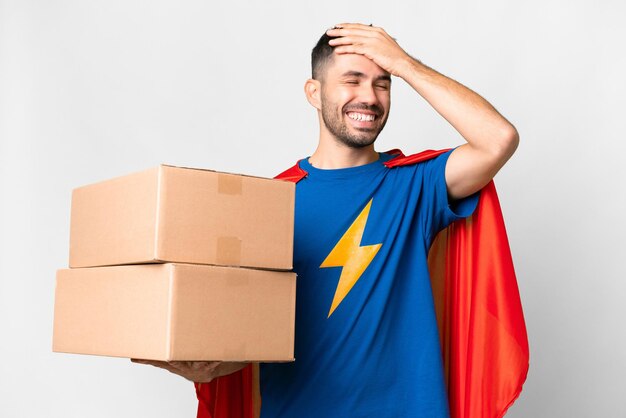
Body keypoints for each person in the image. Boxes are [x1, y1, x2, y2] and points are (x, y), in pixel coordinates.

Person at [133, 23, 520, 417]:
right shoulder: (270, 203)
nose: (369, 97)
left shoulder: (416, 185)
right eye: (352, 80)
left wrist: (404, 64)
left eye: (383, 83)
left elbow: (498, 139)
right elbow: (254, 342)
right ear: (314, 93)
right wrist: (208, 365)